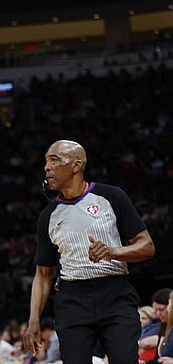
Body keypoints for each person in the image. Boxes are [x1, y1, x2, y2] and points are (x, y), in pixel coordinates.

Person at [22, 140, 156, 363]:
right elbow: (43, 274)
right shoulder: (48, 215)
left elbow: (147, 246)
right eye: (46, 161)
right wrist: (34, 319)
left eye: (54, 160)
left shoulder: (111, 196)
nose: (46, 167)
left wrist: (113, 252)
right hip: (72, 299)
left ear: (76, 165)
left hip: (115, 293)